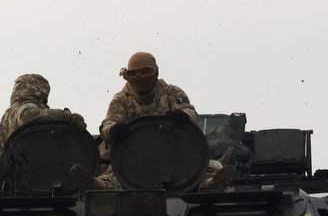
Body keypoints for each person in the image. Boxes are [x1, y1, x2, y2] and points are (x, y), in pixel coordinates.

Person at [93, 52, 233, 189]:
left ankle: (212, 184)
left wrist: (183, 116)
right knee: (114, 177)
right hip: (133, 158)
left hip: (172, 154)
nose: (139, 77)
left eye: (145, 72)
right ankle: (96, 184)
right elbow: (108, 123)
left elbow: (190, 112)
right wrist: (113, 130)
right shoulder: (121, 100)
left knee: (196, 172)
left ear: (155, 73)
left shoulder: (171, 93)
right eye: (133, 73)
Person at [0, 73, 87, 156]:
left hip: (17, 168)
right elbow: (28, 116)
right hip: (30, 168)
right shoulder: (22, 108)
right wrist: (65, 116)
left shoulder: (8, 115)